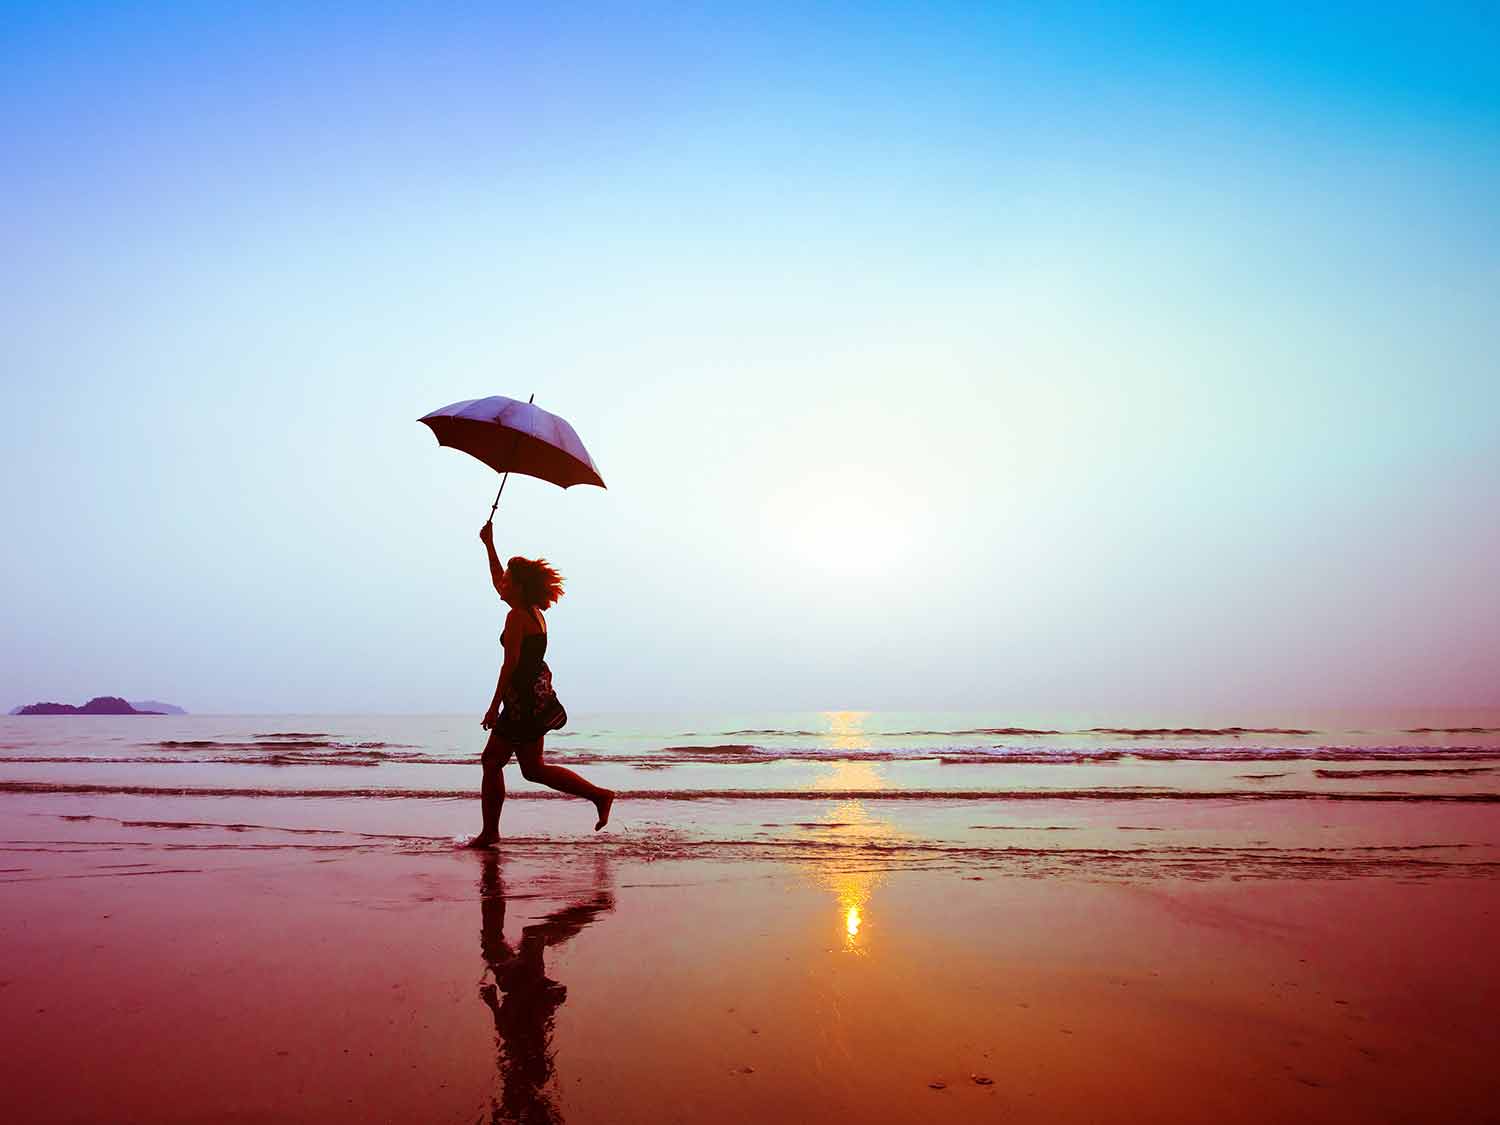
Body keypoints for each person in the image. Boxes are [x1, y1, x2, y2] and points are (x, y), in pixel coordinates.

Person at [467, 521, 613, 848]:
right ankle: (599, 795)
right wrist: (489, 544)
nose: (502, 583)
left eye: (509, 580)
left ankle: (490, 833)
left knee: (493, 762)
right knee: (532, 769)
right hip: (535, 697)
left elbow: (510, 665)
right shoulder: (531, 611)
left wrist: (493, 707)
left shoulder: (517, 617)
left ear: (519, 587)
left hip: (522, 702)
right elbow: (496, 580)